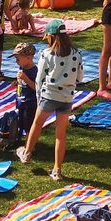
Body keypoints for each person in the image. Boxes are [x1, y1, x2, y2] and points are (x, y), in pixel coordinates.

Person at [16, 20, 83, 180]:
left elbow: (39, 79)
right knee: (60, 135)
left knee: (37, 125)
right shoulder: (77, 54)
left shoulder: (46, 54)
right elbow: (80, 77)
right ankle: (57, 170)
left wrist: (39, 95)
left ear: (51, 36)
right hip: (67, 97)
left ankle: (26, 153)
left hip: (49, 95)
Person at [13, 42, 39, 139]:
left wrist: (26, 79)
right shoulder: (22, 67)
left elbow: (36, 88)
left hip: (30, 103)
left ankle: (30, 145)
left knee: (29, 124)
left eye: (18, 59)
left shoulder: (34, 71)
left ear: (28, 57)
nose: (16, 61)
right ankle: (18, 138)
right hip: (21, 100)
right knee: (20, 122)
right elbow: (21, 82)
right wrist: (17, 82)